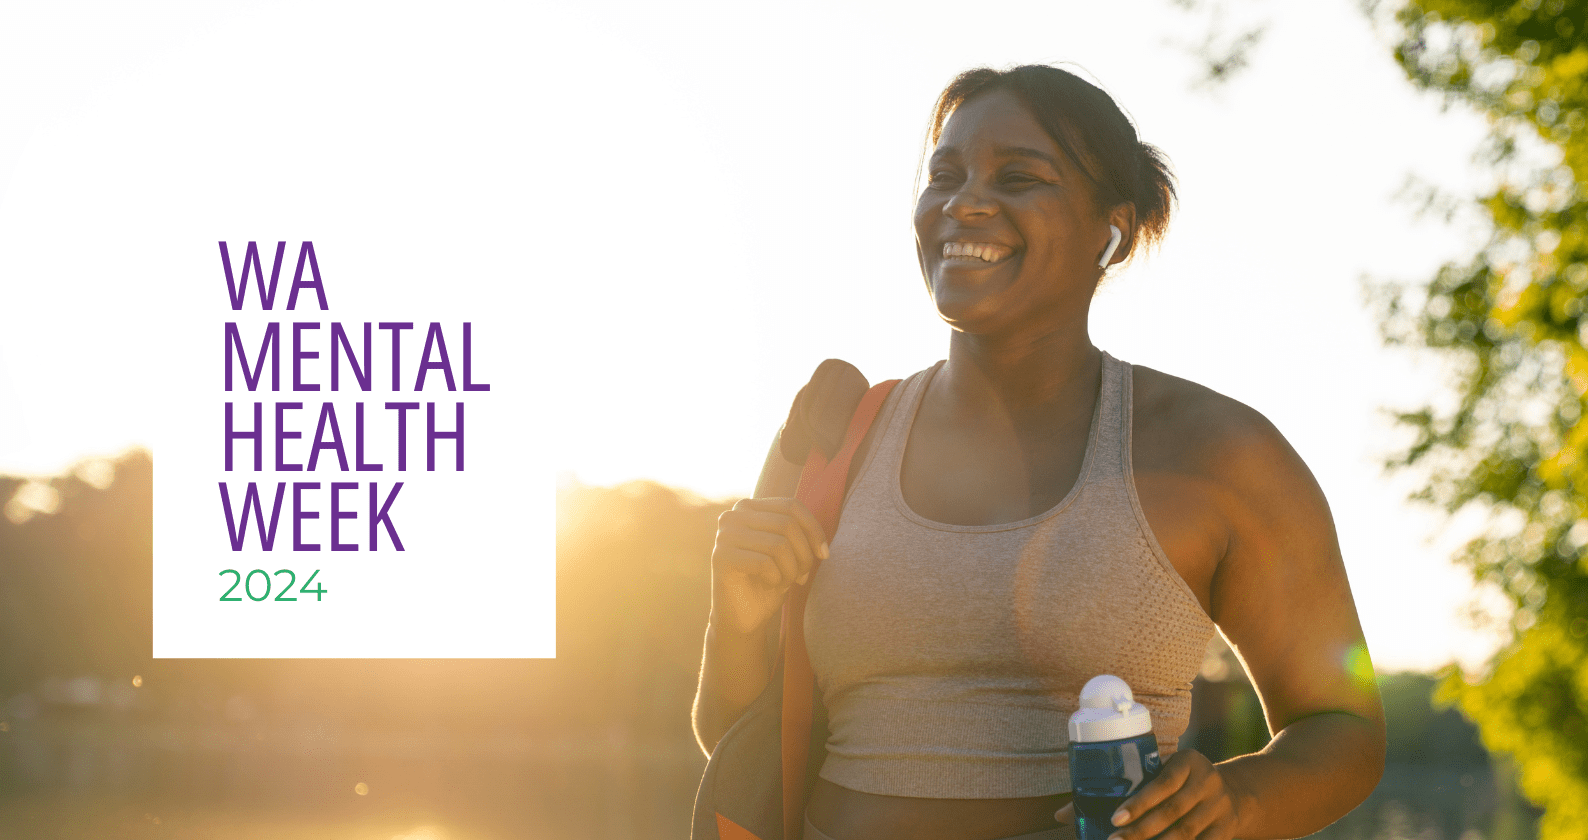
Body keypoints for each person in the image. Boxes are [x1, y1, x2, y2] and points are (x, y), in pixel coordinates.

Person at [693, 64, 1386, 840]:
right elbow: (735, 740)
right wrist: (736, 616)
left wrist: (1238, 800)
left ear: (1112, 231)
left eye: (1019, 177)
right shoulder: (830, 438)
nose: (966, 203)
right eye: (945, 176)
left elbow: (1343, 729)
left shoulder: (1222, 454)